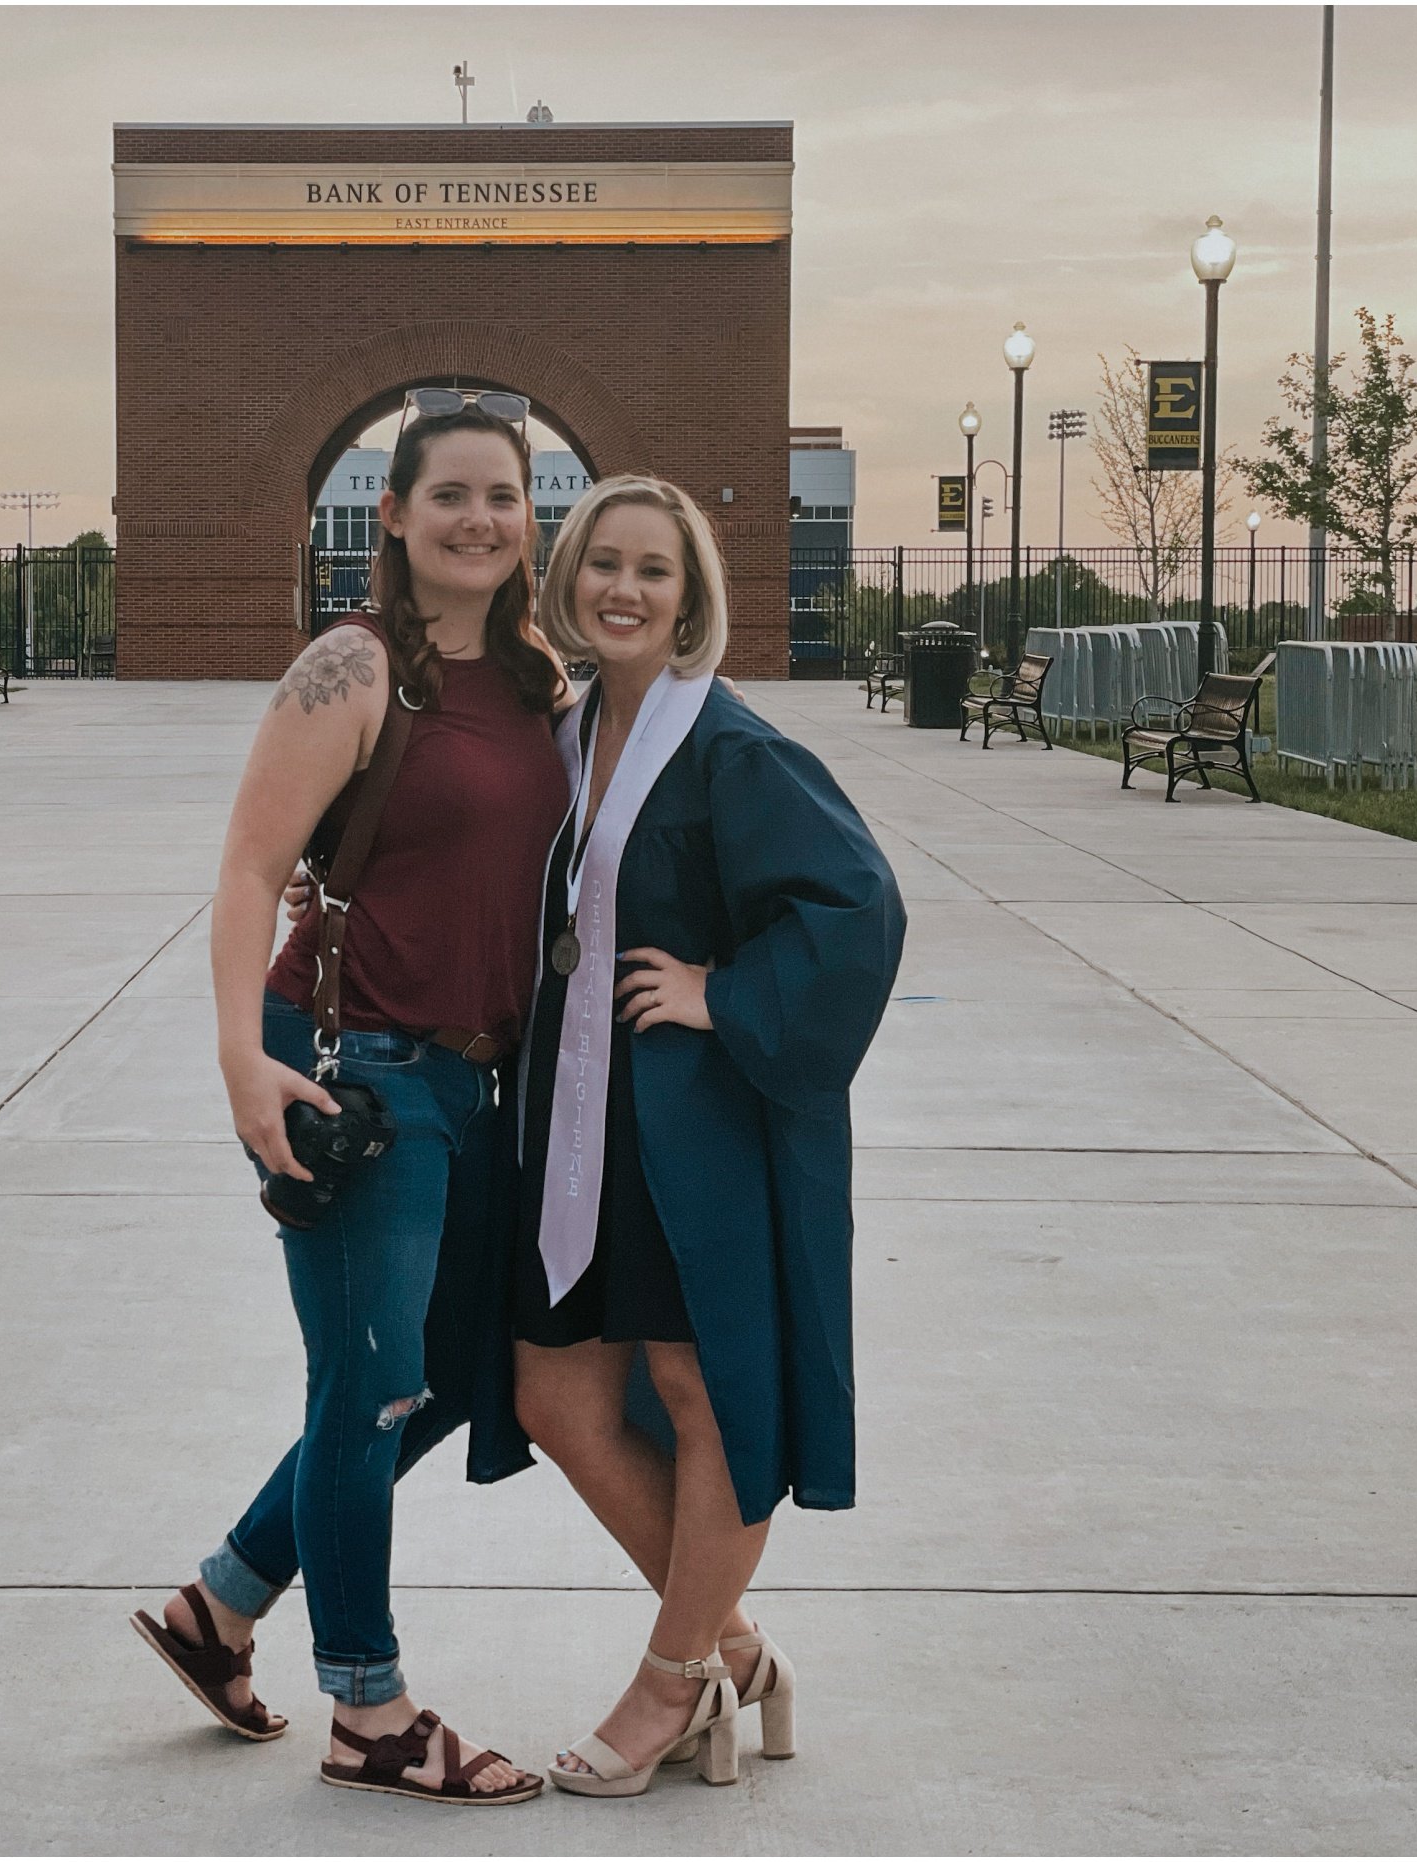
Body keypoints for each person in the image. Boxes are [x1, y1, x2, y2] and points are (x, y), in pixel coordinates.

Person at [132, 390, 569, 1807]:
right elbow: (249, 868)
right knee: (369, 1384)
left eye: (503, 494)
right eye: (449, 494)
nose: (480, 518)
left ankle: (222, 1602)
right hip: (347, 1061)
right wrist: (232, 1052)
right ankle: (369, 1709)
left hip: (476, 1074)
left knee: (434, 1373)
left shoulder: (539, 680)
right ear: (393, 515)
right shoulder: (353, 666)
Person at [500, 474, 906, 1797]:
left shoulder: (726, 746)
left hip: (698, 1126)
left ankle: (673, 1684)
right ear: (571, 581)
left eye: (653, 572)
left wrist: (720, 994)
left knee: (699, 1389)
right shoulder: (568, 736)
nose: (623, 588)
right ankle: (733, 1647)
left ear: (689, 602)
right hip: (584, 1122)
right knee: (555, 1391)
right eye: (603, 564)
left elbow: (857, 902)